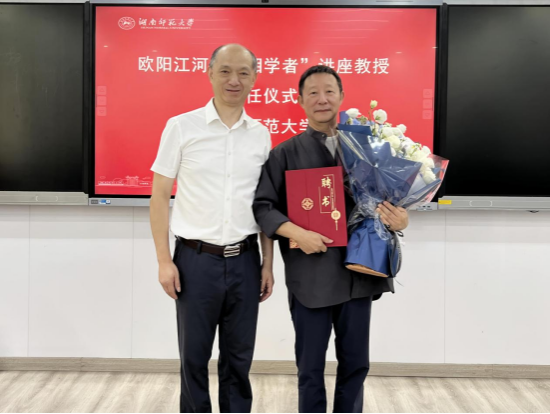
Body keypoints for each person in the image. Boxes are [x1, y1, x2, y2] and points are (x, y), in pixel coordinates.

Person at [253, 65, 409, 414]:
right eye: (313, 92)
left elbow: (391, 200)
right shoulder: (285, 153)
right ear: (300, 100)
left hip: (359, 272)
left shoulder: (370, 148)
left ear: (341, 96)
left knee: (356, 364)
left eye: (329, 91)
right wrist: (297, 233)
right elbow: (263, 208)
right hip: (311, 275)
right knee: (310, 369)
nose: (321, 99)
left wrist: (401, 218)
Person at [150, 44, 275, 414]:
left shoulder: (261, 134)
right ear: (209, 73)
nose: (234, 80)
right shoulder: (181, 127)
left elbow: (265, 205)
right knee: (193, 358)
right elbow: (159, 196)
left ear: (254, 78)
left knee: (239, 360)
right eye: (225, 71)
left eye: (243, 72)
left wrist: (267, 264)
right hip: (194, 260)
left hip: (245, 260)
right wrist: (163, 261)